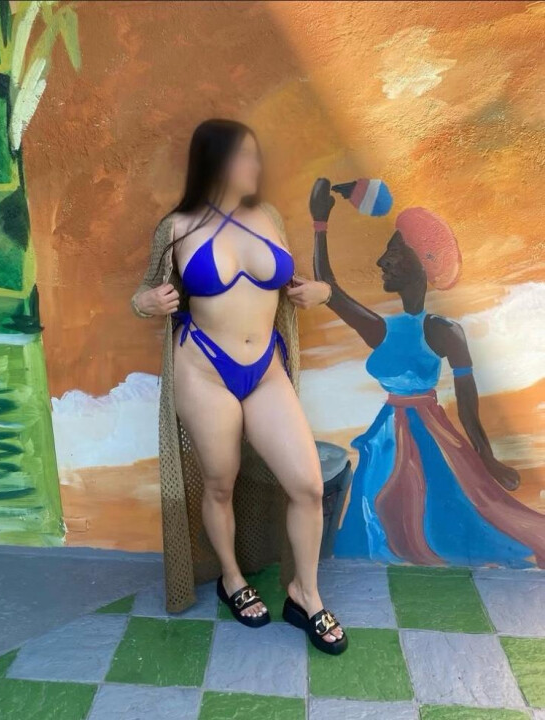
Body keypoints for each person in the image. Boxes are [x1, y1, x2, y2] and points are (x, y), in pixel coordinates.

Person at [131, 121, 346, 654]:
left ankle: (304, 595)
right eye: (246, 156)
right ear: (217, 161)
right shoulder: (177, 227)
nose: (256, 166)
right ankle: (231, 578)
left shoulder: (268, 216)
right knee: (219, 484)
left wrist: (319, 292)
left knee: (308, 486)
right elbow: (144, 292)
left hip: (265, 368)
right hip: (204, 368)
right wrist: (145, 303)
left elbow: (294, 283)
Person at [310, 177, 545, 568]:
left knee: (441, 515)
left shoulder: (443, 332)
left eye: (394, 251)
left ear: (422, 262)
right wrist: (320, 223)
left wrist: (487, 460)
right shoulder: (382, 329)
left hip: (430, 440)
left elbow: (467, 403)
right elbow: (328, 289)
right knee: (377, 514)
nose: (382, 261)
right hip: (386, 440)